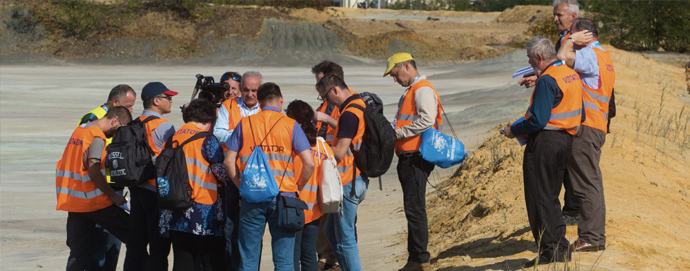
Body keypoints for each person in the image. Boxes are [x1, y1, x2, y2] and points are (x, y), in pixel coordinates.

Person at [503, 36, 583, 268]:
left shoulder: (548, 80)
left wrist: (513, 129)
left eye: (529, 58)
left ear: (539, 57)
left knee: (539, 198)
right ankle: (558, 247)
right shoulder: (569, 74)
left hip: (545, 143)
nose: (529, 62)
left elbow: (537, 120)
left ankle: (551, 252)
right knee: (551, 196)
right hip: (565, 140)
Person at [223, 82, 315, 271]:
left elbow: (228, 161)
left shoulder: (245, 123)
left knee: (248, 258)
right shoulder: (291, 125)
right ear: (281, 100)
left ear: (259, 100)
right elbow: (310, 163)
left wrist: (240, 185)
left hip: (252, 196)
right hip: (284, 199)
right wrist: (298, 186)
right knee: (284, 261)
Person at [519, 0, 582, 226]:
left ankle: (572, 212)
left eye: (559, 15)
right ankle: (568, 213)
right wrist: (539, 76)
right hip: (566, 119)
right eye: (554, 15)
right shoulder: (566, 38)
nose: (555, 19)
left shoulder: (576, 41)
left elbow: (568, 71)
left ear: (573, 16)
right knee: (564, 170)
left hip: (569, 121)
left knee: (569, 170)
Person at [557, 18, 615, 252]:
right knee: (592, 182)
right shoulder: (603, 56)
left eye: (573, 34)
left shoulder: (590, 56)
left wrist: (570, 40)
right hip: (595, 125)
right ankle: (593, 236)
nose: (569, 39)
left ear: (584, 35)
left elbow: (562, 55)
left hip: (587, 127)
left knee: (585, 184)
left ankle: (591, 238)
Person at [383, 52, 442, 271]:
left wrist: (397, 133)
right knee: (412, 208)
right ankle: (415, 258)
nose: (395, 79)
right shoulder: (412, 92)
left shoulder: (422, 89)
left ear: (407, 66)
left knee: (415, 208)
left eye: (396, 74)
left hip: (417, 156)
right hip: (410, 155)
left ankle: (420, 259)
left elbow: (427, 120)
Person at [56, 106, 132, 271]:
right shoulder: (97, 136)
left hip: (74, 202)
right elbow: (93, 170)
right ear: (114, 120)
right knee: (134, 234)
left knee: (77, 253)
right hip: (93, 201)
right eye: (119, 129)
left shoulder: (80, 130)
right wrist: (113, 195)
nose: (117, 135)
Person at [159, 98, 228, 271]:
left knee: (183, 261)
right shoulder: (207, 140)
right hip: (204, 212)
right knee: (211, 261)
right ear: (208, 120)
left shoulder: (172, 138)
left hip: (175, 208)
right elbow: (221, 173)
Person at [77, 84, 135, 271]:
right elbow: (89, 158)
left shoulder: (116, 117)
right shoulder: (93, 120)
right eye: (128, 105)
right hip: (100, 188)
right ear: (116, 102)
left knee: (112, 246)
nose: (131, 110)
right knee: (100, 245)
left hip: (113, 185)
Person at [316, 74, 368, 271]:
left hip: (348, 182)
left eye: (326, 97)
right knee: (330, 231)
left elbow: (338, 153)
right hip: (357, 178)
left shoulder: (348, 114)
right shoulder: (360, 104)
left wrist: (317, 148)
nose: (326, 102)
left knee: (346, 240)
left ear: (335, 90)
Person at [123, 82, 177, 271]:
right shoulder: (164, 127)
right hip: (156, 192)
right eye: (167, 97)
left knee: (136, 244)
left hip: (136, 187)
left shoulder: (134, 123)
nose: (171, 101)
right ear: (156, 100)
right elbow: (173, 159)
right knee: (159, 246)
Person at [214, 71, 262, 271]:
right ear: (240, 89)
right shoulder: (228, 106)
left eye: (254, 90)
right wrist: (244, 133)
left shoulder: (267, 109)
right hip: (233, 176)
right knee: (231, 228)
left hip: (259, 178)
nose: (250, 94)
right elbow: (218, 133)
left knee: (255, 230)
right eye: (246, 90)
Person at [286, 100, 333, 271]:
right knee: (308, 254)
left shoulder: (291, 145)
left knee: (292, 255)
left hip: (293, 206)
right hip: (315, 208)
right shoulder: (321, 144)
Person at [310, 60, 348, 271]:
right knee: (324, 218)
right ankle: (326, 256)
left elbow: (351, 129)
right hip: (323, 169)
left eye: (321, 83)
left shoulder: (347, 104)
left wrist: (326, 119)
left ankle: (337, 260)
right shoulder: (325, 104)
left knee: (341, 224)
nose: (319, 89)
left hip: (342, 171)